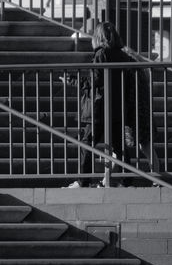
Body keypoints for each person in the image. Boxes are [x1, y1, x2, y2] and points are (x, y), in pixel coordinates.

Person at [66, 21, 159, 187]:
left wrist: (74, 81)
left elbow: (95, 80)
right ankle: (126, 180)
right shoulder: (123, 56)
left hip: (99, 108)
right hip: (117, 108)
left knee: (86, 144)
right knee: (119, 147)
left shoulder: (101, 54)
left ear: (98, 37)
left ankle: (83, 181)